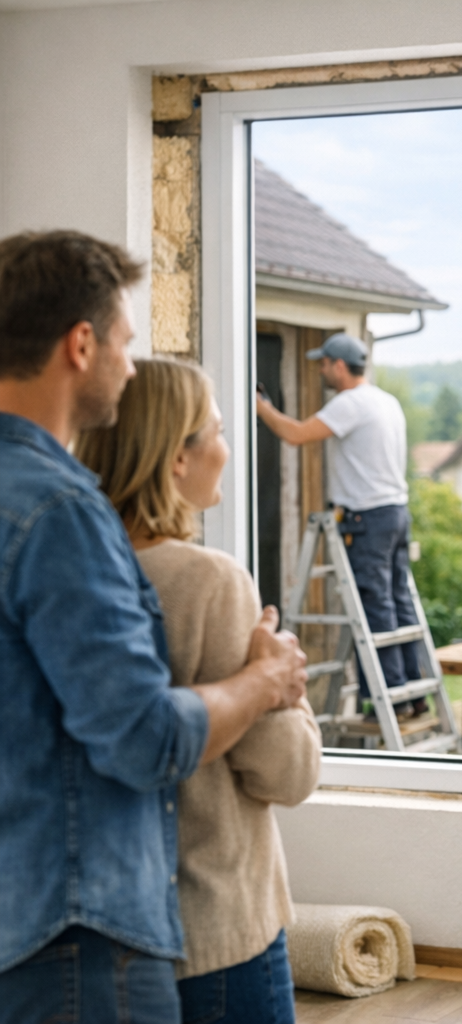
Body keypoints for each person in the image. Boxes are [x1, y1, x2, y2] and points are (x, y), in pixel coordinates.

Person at [0, 231, 307, 1024]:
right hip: (82, 933)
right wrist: (267, 681)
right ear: (80, 344)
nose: (130, 366)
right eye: (126, 342)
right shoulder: (59, 512)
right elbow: (142, 739)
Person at [77, 357, 322, 1024]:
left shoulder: (69, 573)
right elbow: (287, 772)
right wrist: (283, 681)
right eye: (215, 430)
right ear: (175, 459)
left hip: (97, 933)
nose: (226, 448)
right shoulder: (208, 582)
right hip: (216, 931)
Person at [255, 331, 424, 717]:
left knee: (375, 606)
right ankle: (413, 696)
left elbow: (296, 435)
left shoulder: (351, 403)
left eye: (324, 364)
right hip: (396, 512)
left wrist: (261, 408)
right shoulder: (387, 401)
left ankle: (390, 701)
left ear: (340, 366)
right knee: (399, 604)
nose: (321, 371)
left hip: (368, 518)